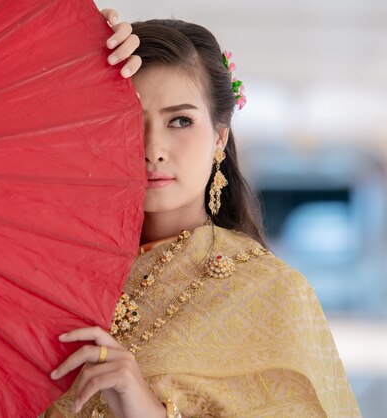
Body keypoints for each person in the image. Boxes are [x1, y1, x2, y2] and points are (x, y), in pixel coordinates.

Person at [43, 11, 361, 418]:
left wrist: (145, 409)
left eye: (180, 120)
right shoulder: (54, 277)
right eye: (128, 120)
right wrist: (64, 64)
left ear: (219, 137)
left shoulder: (270, 293)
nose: (152, 148)